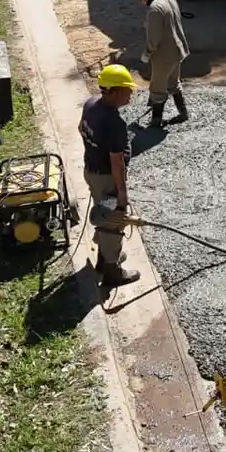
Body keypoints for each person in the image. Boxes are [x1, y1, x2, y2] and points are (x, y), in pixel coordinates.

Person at [79, 64, 142, 287]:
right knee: (114, 221)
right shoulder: (114, 123)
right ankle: (112, 272)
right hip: (107, 178)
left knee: (103, 214)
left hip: (91, 171)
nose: (131, 94)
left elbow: (81, 128)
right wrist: (122, 194)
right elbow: (117, 163)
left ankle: (103, 261)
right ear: (114, 91)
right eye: (127, 90)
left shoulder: (90, 104)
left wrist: (94, 149)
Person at [132, 0, 191, 126]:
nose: (141, 1)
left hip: (164, 55)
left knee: (157, 88)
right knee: (173, 82)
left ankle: (156, 122)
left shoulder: (154, 10)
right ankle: (183, 113)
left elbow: (154, 40)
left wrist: (146, 55)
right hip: (178, 50)